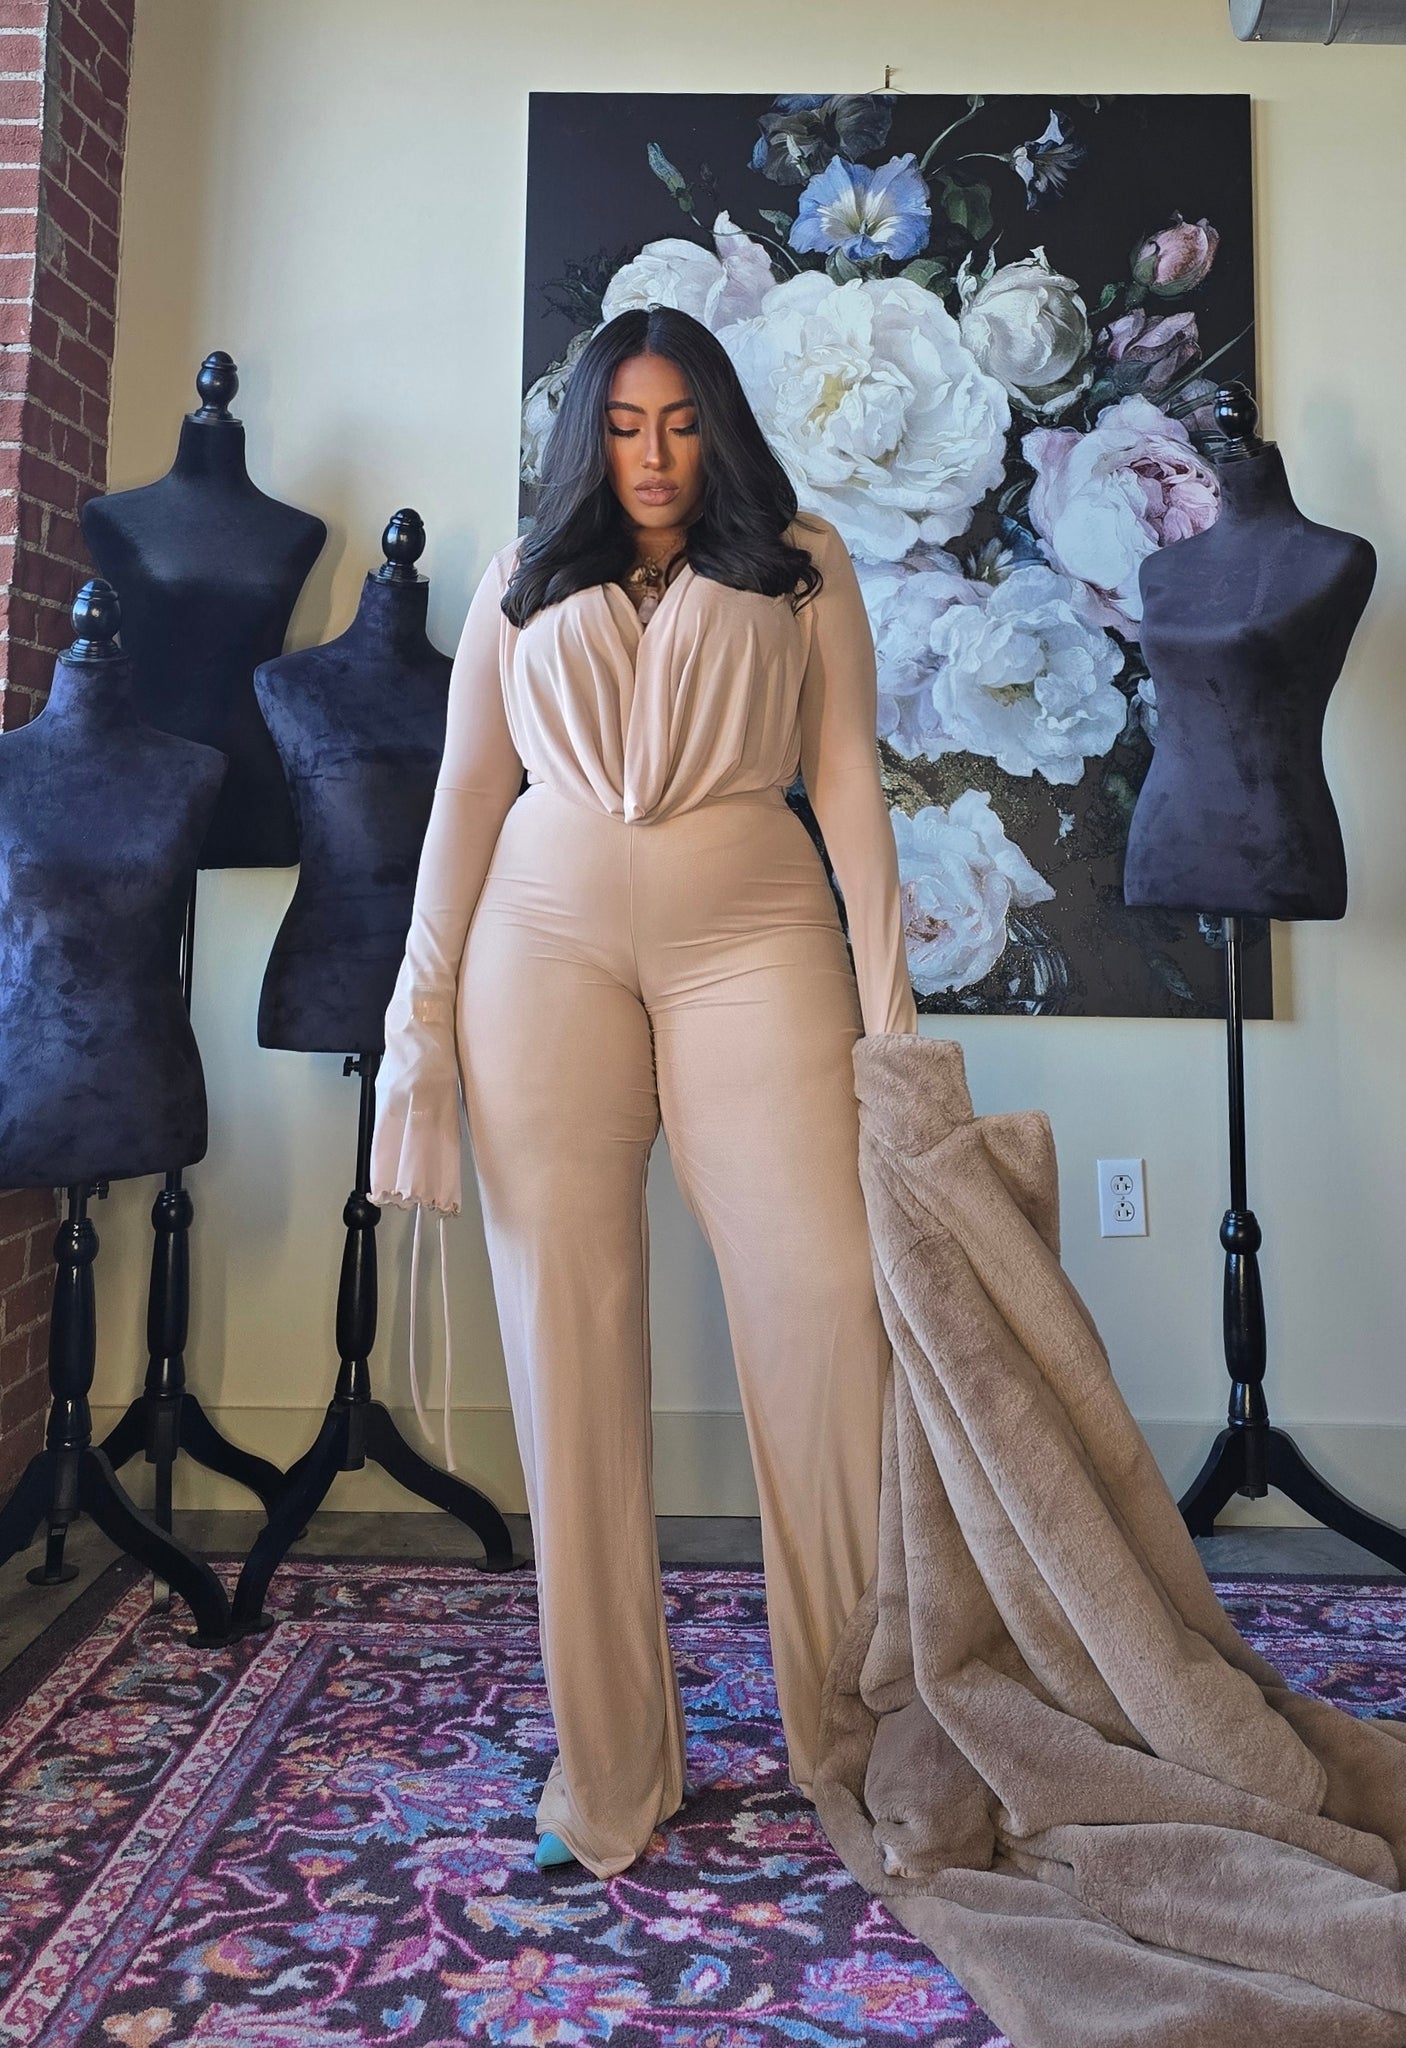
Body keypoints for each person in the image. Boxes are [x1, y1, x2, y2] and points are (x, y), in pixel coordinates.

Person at [369, 303, 918, 1879]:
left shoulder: (801, 564)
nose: (654, 456)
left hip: (757, 936)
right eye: (622, 427)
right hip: (536, 952)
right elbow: (467, 795)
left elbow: (850, 781)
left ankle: (851, 1746)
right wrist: (419, 1017)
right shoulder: (520, 577)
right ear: (584, 438)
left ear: (716, 425)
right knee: (568, 1342)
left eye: (679, 424)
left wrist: (894, 1025)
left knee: (825, 1309)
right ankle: (613, 1772)